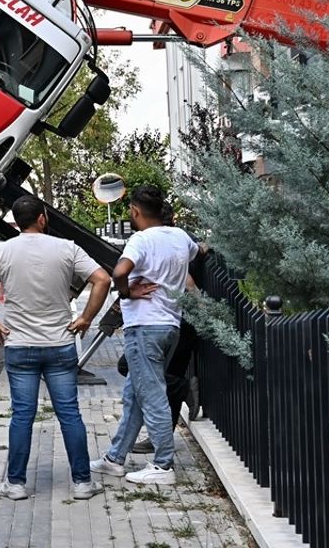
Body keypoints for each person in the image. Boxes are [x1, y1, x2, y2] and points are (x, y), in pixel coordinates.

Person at [0, 196, 113, 501]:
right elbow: (102, 279)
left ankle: (16, 484)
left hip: (20, 346)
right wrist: (86, 318)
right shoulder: (67, 248)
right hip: (59, 345)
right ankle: (82, 483)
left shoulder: (2, 251)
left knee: (22, 415)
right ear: (43, 218)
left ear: (17, 222)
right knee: (69, 413)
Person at [91, 184, 198, 486]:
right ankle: (115, 458)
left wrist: (127, 292)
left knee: (152, 396)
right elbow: (196, 251)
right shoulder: (180, 237)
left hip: (144, 327)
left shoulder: (141, 239)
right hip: (170, 325)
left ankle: (163, 465)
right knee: (135, 396)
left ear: (135, 211)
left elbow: (119, 272)